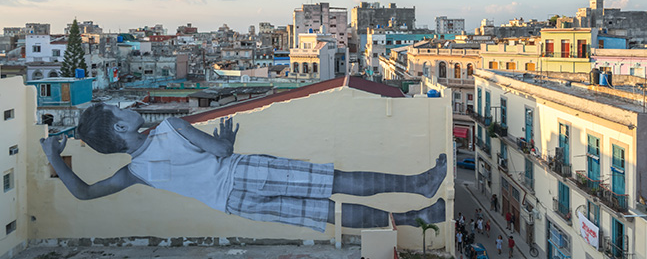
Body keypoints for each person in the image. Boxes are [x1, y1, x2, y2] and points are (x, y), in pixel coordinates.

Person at [41, 104, 448, 233]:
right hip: (243, 172)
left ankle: (417, 216)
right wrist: (229, 142)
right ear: (119, 126)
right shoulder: (169, 127)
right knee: (334, 181)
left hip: (234, 203)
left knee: (329, 212)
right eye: (117, 111)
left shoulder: (136, 172)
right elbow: (219, 151)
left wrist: (54, 155)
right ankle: (418, 183)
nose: (124, 108)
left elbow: (85, 193)